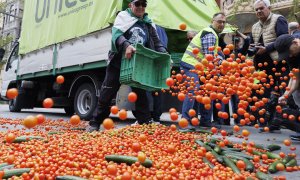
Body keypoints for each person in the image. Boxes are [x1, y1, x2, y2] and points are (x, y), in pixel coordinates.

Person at [87, 0, 167, 131]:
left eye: (143, 4)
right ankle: (95, 122)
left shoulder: (148, 23)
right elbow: (117, 35)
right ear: (131, 5)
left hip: (138, 65)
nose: (141, 7)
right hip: (119, 63)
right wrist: (127, 45)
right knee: (107, 93)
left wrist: (164, 56)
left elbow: (157, 42)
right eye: (138, 4)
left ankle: (144, 122)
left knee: (141, 95)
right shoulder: (123, 17)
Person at [180, 12, 226, 128]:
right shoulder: (210, 34)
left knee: (207, 92)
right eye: (219, 21)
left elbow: (215, 54)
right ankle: (184, 121)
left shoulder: (213, 34)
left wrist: (220, 58)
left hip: (200, 67)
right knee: (193, 90)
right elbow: (209, 58)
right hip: (191, 65)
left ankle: (205, 121)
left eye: (224, 22)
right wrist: (216, 75)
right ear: (212, 21)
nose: (222, 24)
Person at [250, 0, 289, 127]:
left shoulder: (279, 19)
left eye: (261, 8)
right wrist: (251, 48)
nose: (259, 11)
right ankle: (265, 120)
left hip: (278, 63)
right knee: (264, 93)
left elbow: (283, 40)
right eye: (256, 10)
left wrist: (266, 48)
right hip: (262, 67)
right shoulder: (255, 26)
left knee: (282, 92)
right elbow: (252, 42)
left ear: (269, 8)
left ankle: (283, 120)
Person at [269, 34, 300, 141]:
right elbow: (295, 77)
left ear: (296, 43)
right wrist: (285, 95)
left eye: (290, 52)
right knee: (296, 95)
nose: (290, 55)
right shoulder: (292, 56)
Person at [147, 25, 168, 123]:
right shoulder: (161, 29)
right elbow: (163, 46)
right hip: (159, 62)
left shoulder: (149, 26)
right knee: (157, 91)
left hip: (150, 61)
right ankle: (155, 118)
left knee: (147, 89)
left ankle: (148, 118)